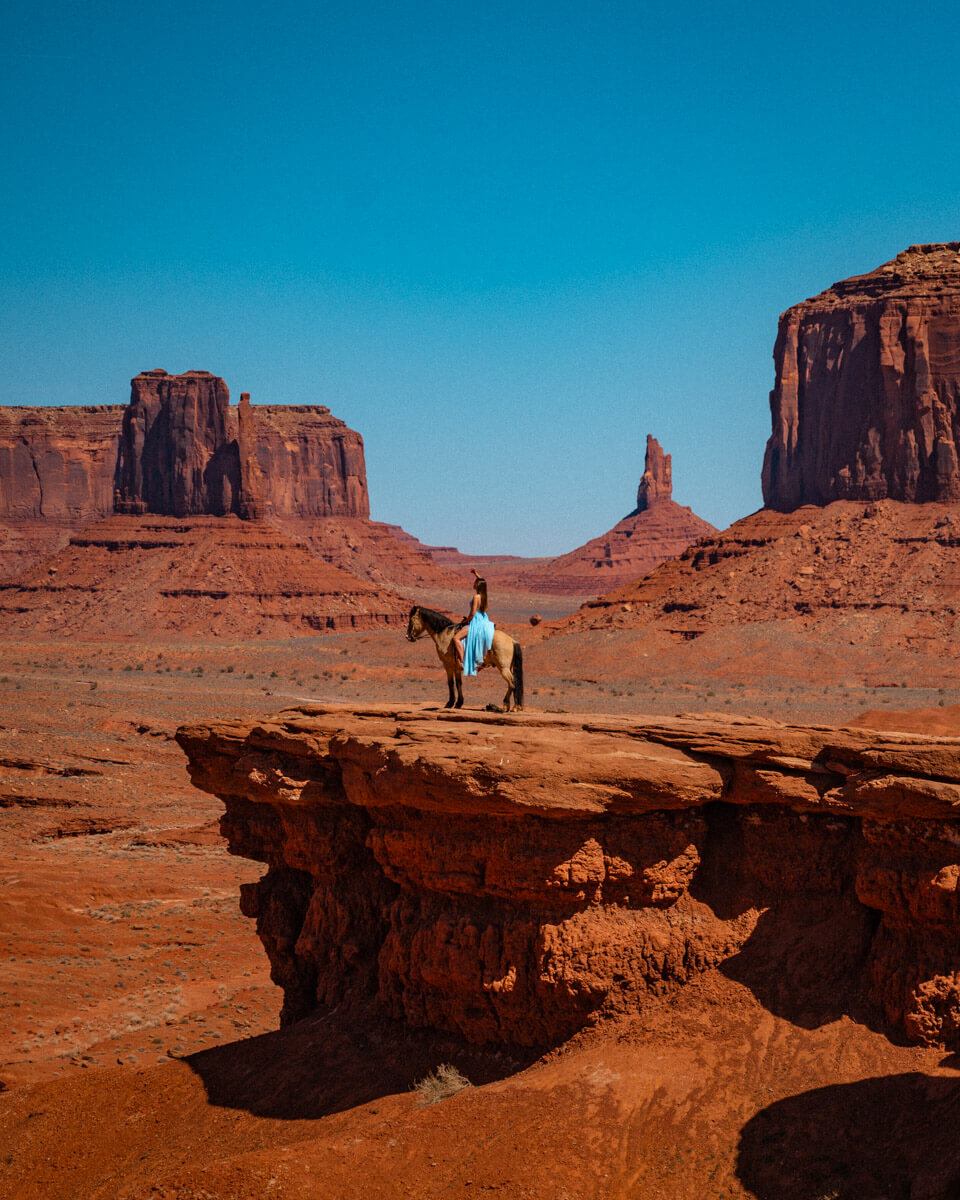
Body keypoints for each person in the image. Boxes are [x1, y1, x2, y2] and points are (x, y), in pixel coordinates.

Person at [454, 569, 495, 676]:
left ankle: (463, 662)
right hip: (484, 619)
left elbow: (472, 614)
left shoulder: (476, 597)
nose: (473, 583)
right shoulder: (484, 596)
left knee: (456, 638)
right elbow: (483, 582)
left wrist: (465, 621)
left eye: (475, 583)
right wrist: (475, 574)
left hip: (476, 621)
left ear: (477, 586)